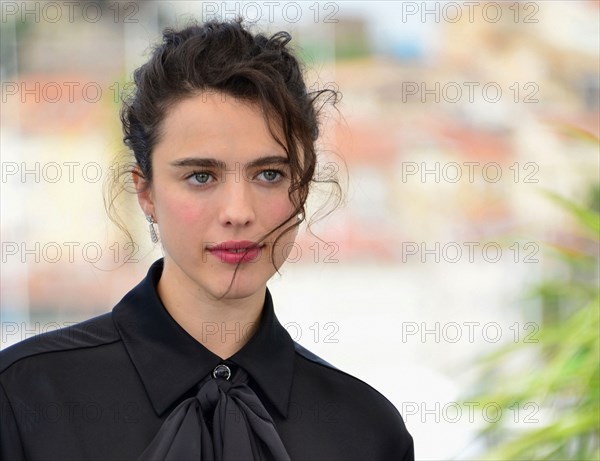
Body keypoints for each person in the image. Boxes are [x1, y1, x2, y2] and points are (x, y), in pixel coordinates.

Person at [0, 19, 414, 460]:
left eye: (269, 174)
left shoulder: (366, 429)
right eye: (201, 176)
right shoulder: (23, 399)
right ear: (146, 190)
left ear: (304, 187)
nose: (238, 212)